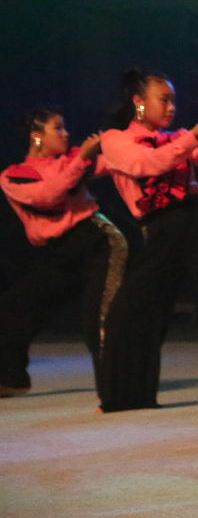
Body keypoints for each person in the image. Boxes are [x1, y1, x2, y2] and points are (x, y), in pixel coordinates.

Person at [97, 68, 198, 411]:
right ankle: (127, 394)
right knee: (134, 307)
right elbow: (147, 165)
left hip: (197, 217)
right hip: (160, 226)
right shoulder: (114, 140)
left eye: (173, 100)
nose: (171, 107)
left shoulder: (177, 137)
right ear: (139, 102)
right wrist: (189, 139)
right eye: (164, 100)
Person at [1, 109, 126, 404]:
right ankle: (11, 379)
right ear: (36, 135)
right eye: (58, 128)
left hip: (96, 241)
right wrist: (81, 158)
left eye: (65, 127)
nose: (66, 133)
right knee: (11, 307)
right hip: (60, 252)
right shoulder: (15, 175)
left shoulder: (72, 159)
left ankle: (116, 390)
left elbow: (115, 162)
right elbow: (48, 194)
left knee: (97, 318)